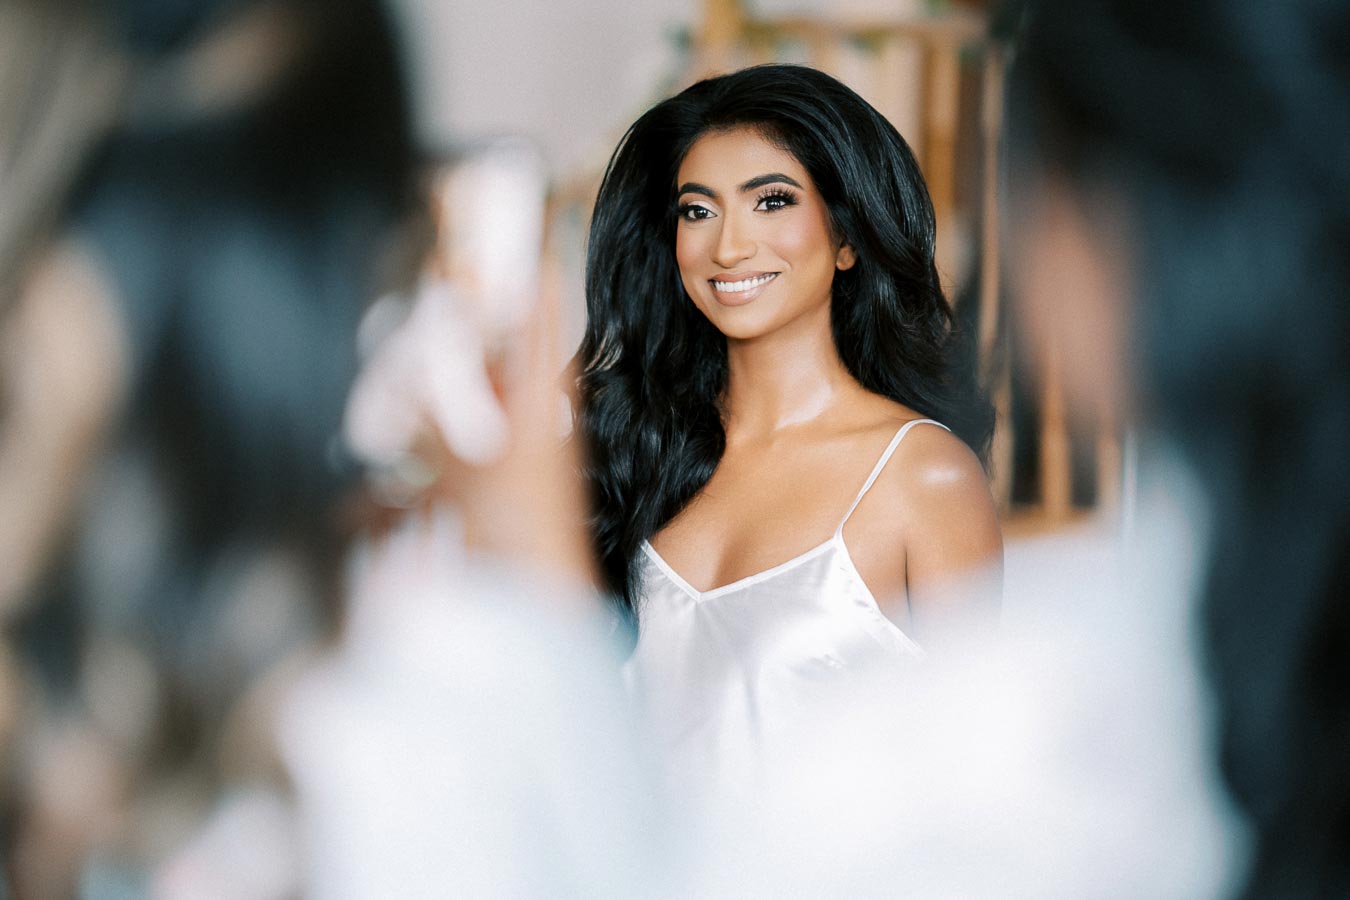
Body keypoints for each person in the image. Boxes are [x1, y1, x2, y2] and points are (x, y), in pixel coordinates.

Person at [576, 64, 1002, 797]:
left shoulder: (923, 477)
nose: (728, 247)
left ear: (846, 237)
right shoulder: (631, 456)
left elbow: (982, 781)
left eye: (771, 201)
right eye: (697, 211)